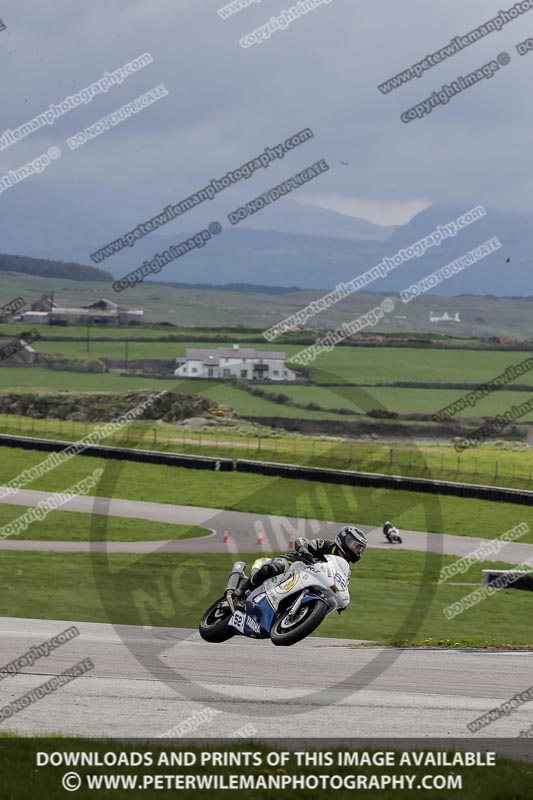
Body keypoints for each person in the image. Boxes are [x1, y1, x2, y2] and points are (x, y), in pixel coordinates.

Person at [236, 525, 367, 599]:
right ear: (345, 540)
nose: (357, 551)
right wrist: (305, 552)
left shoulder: (345, 569)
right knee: (273, 568)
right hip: (295, 564)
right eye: (356, 546)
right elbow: (302, 541)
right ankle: (242, 590)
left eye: (360, 549)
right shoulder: (327, 545)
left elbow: (340, 586)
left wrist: (340, 598)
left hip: (311, 582)